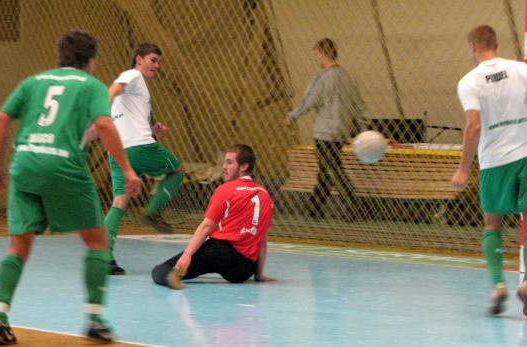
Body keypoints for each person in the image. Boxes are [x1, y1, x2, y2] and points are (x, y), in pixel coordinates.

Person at [0, 29, 141, 345]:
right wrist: (127, 169)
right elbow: (104, 124)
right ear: (91, 60)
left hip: (25, 162)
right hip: (63, 165)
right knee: (97, 242)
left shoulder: (33, 81)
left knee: (19, 244)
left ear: (59, 57)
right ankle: (95, 319)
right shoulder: (91, 86)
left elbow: (2, 119)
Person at [453, 24, 527, 316]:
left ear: (472, 47)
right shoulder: (521, 70)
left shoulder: (469, 81)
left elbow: (474, 125)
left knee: (492, 223)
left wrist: (463, 169)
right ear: (496, 43)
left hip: (494, 161)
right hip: (525, 154)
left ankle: (498, 284)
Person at [104, 43, 185, 275]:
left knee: (119, 201)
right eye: (153, 60)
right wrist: (98, 115)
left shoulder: (134, 91)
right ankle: (152, 211)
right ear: (139, 59)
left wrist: (152, 130)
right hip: (139, 148)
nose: (157, 66)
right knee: (179, 170)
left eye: (159, 62)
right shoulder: (133, 76)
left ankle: (104, 257)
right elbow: (112, 91)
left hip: (119, 151)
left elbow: (127, 120)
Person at [152, 144, 277, 289]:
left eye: (229, 162)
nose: (224, 166)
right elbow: (262, 240)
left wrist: (187, 254)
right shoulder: (265, 194)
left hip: (220, 253)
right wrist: (259, 273)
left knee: (160, 270)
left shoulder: (226, 190)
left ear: (243, 167)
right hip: (245, 270)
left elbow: (206, 226)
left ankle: (169, 277)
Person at [283, 38, 369, 219]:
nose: (316, 60)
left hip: (324, 132)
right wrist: (362, 128)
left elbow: (309, 101)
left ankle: (355, 207)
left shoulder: (321, 78)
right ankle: (314, 209)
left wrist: (292, 116)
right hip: (341, 132)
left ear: (322, 53)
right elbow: (359, 106)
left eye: (316, 55)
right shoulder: (348, 77)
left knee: (333, 170)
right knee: (326, 170)